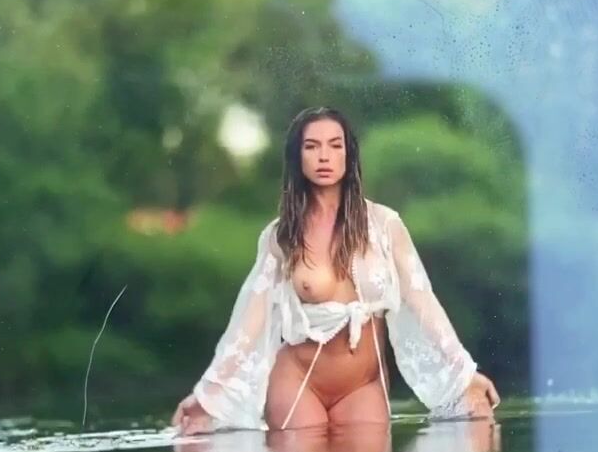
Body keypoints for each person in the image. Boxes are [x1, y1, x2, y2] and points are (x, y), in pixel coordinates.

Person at [172, 106, 499, 434]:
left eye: (335, 145)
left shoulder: (385, 225)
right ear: (297, 157)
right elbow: (249, 323)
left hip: (364, 384)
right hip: (298, 381)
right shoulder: (281, 236)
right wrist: (207, 395)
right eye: (311, 146)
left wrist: (465, 372)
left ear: (349, 154)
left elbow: (422, 301)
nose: (324, 156)